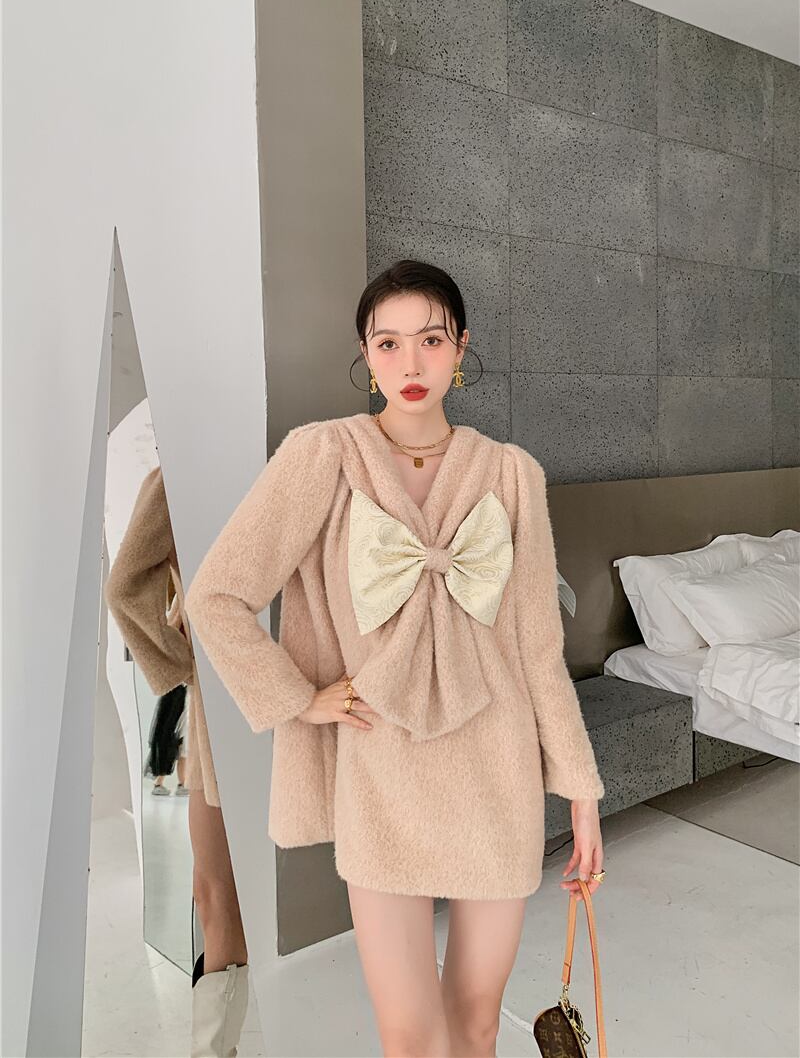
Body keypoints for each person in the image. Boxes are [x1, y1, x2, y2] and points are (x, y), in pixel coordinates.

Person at [185, 259, 606, 1058]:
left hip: (498, 774)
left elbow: (537, 651)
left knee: (475, 1027)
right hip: (381, 776)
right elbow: (217, 595)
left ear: (461, 348)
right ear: (366, 353)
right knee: (411, 1040)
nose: (411, 362)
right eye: (389, 343)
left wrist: (581, 796)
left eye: (431, 340)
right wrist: (298, 697)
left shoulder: (512, 473)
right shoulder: (324, 455)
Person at [104, 467, 249, 1057]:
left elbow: (125, 588)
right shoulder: (300, 446)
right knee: (240, 894)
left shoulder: (179, 470)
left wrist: (179, 665)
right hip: (296, 686)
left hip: (224, 693)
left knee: (217, 893)